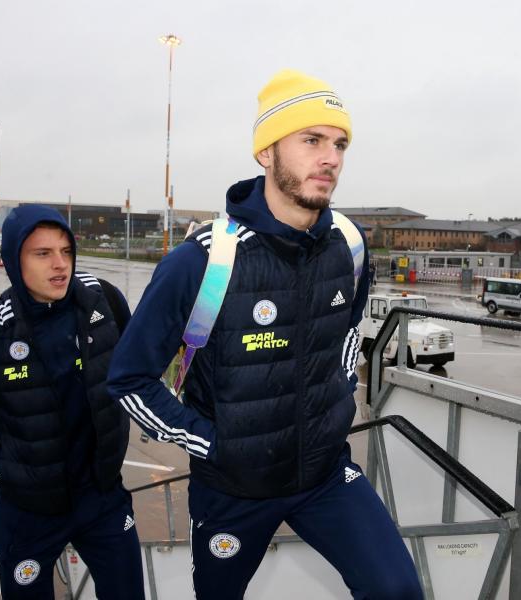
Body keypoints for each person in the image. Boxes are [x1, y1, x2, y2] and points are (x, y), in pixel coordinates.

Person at [108, 69, 423, 599]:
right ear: (265, 153)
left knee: (397, 591)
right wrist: (214, 444)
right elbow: (131, 379)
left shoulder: (347, 244)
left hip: (323, 476)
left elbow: (347, 332)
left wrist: (339, 396)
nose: (331, 159)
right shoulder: (205, 263)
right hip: (234, 490)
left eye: (340, 144)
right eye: (312, 140)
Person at [0, 206, 144, 599]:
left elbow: (138, 372)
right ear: (13, 260)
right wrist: (4, 473)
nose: (59, 265)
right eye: (42, 253)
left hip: (103, 500)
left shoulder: (107, 304)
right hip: (28, 512)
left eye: (66, 251)